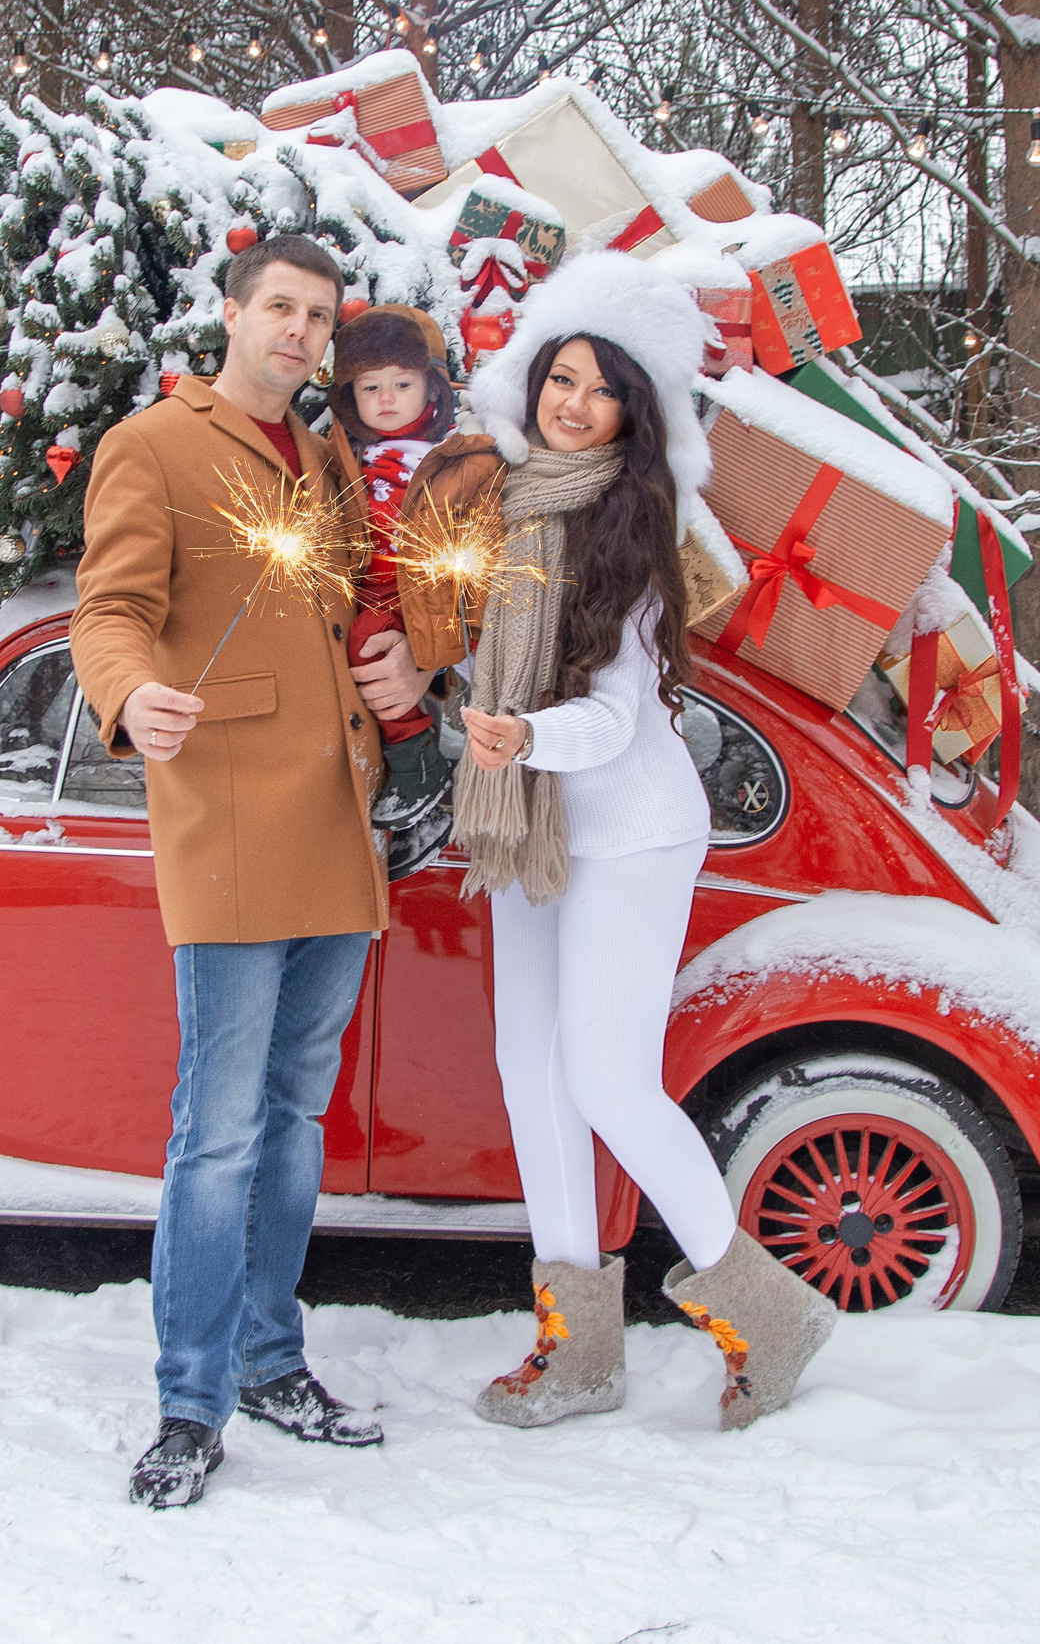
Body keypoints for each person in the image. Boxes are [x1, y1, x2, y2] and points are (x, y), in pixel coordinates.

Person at [69, 233, 438, 1508]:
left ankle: (274, 1360)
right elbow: (109, 609)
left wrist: (411, 665)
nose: (298, 331)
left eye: (318, 316)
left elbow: (359, 603)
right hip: (226, 815)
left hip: (338, 815)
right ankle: (190, 1400)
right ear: (230, 313)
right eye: (279, 306)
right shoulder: (154, 445)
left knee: (293, 1120)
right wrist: (131, 694)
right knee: (217, 1130)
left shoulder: (329, 455)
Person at [445, 252, 838, 1432]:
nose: (573, 403)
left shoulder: (630, 524)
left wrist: (525, 733)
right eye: (559, 378)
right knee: (529, 1074)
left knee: (609, 1078)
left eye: (600, 388)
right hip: (526, 825)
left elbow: (616, 717)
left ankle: (770, 1309)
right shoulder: (501, 503)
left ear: (633, 410)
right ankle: (580, 1349)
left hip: (624, 830)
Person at [323, 305, 462, 879]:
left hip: (415, 589)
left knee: (369, 647)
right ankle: (410, 806)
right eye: (369, 387)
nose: (385, 399)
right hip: (367, 581)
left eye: (402, 385)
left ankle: (417, 758)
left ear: (431, 389)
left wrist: (436, 640)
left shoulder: (454, 455)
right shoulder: (346, 456)